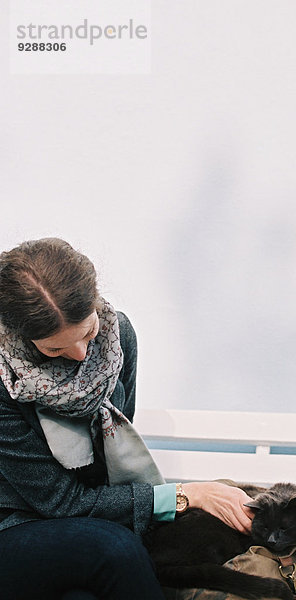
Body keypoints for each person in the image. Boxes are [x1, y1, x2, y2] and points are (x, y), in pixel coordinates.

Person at [0, 237, 254, 600]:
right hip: (17, 527)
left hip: (85, 528)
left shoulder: (119, 336)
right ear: (23, 336)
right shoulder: (3, 379)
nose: (80, 354)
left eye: (88, 332)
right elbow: (59, 503)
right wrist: (183, 495)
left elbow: (113, 448)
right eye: (55, 349)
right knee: (112, 547)